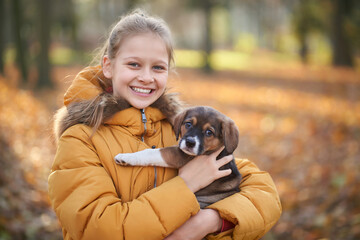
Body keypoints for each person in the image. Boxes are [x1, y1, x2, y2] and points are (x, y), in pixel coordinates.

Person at [48, 9, 281, 240]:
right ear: (108, 66)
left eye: (158, 67)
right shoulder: (80, 138)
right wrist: (186, 184)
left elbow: (264, 192)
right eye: (134, 64)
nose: (147, 77)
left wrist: (209, 221)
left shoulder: (178, 129)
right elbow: (99, 228)